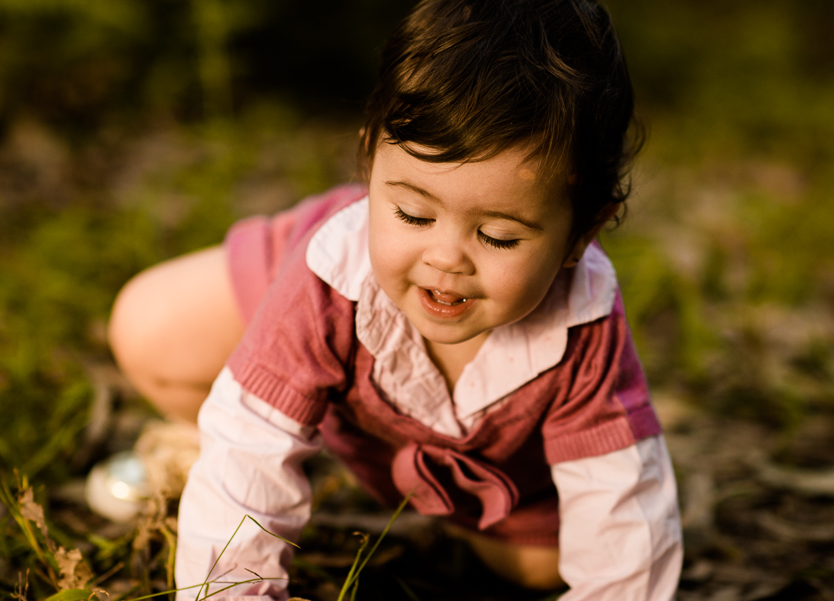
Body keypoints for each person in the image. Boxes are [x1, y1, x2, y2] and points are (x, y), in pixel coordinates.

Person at [107, 0, 683, 598]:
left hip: (470, 463)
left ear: (581, 234)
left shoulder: (583, 326)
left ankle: (411, 479)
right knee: (153, 327)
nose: (446, 259)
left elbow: (625, 534)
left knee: (546, 565)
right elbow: (248, 444)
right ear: (370, 166)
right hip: (320, 307)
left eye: (498, 236)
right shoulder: (330, 275)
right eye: (413, 212)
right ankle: (228, 431)